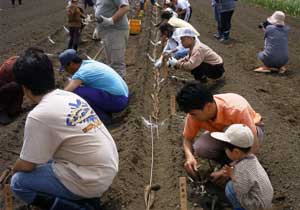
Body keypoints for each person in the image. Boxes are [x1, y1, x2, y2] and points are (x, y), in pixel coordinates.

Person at [11, 48, 119, 210]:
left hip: (91, 180)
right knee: (46, 159)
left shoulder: (39, 115)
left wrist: (14, 169)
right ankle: (86, 198)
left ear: (25, 88)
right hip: (107, 168)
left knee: (19, 182)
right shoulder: (70, 96)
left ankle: (80, 207)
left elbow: (27, 165)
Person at [175, 82, 264, 177]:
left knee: (239, 170)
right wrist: (189, 156)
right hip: (223, 133)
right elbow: (187, 138)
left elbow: (253, 146)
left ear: (208, 107)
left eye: (193, 114)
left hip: (250, 133)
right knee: (200, 148)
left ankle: (237, 163)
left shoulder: (236, 110)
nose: (192, 117)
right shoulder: (195, 114)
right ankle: (229, 159)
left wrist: (226, 171)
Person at [210, 124, 273, 210]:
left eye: (226, 149)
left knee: (230, 188)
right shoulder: (251, 157)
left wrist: (232, 176)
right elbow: (235, 164)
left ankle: (239, 208)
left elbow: (241, 190)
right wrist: (223, 172)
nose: (225, 151)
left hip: (257, 205)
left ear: (236, 152)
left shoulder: (241, 170)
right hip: (265, 198)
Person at [59, 49, 129, 125]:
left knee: (76, 92)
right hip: (123, 96)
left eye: (65, 68)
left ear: (71, 64)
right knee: (85, 89)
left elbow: (66, 93)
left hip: (118, 102)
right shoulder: (89, 63)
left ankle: (103, 118)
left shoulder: (81, 72)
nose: (66, 71)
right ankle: (105, 112)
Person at [94, 0, 129, 78]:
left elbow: (125, 7)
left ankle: (120, 89)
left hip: (116, 31)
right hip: (106, 32)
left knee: (116, 64)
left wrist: (111, 20)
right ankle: (114, 85)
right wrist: (97, 28)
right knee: (110, 61)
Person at [0, 56, 23, 125]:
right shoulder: (9, 67)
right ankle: (1, 111)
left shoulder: (20, 62)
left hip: (8, 83)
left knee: (18, 85)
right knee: (13, 86)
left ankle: (12, 110)